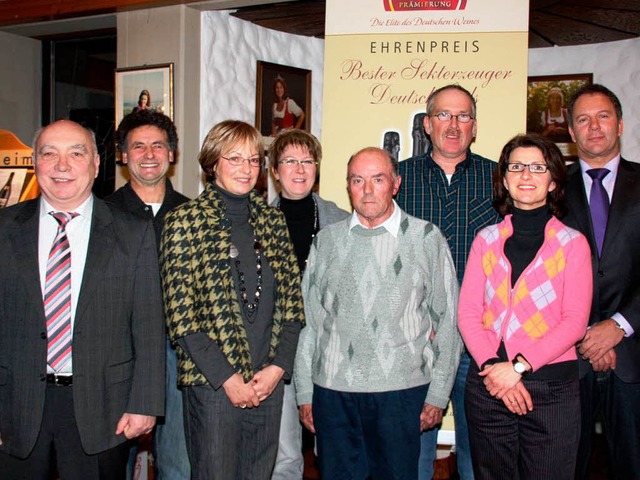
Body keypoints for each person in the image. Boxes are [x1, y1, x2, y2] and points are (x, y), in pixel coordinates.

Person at [0, 120, 165, 478]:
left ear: (96, 164)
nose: (62, 165)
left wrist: (145, 404)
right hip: (15, 405)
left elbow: (150, 327)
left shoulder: (133, 233)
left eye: (76, 154)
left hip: (104, 408)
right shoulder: (4, 229)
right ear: (34, 164)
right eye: (49, 154)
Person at [294, 147, 461, 479]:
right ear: (348, 186)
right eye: (358, 180)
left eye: (378, 179)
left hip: (401, 395)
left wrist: (438, 394)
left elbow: (448, 324)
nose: (367, 190)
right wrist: (305, 392)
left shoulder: (426, 239)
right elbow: (309, 323)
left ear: (395, 184)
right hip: (333, 393)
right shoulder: (326, 241)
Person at [160, 120, 304, 479]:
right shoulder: (183, 223)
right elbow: (182, 318)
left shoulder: (273, 222)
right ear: (213, 163)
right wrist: (228, 379)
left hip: (268, 381)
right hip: (213, 385)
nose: (246, 169)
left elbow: (292, 306)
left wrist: (277, 369)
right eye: (235, 158)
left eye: (254, 160)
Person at [458, 133, 592, 479]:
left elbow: (575, 322)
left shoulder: (572, 244)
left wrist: (516, 368)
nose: (526, 175)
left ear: (552, 181)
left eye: (537, 167)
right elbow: (468, 314)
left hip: (550, 390)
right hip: (488, 386)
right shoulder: (485, 240)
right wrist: (493, 367)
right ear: (504, 179)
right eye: (516, 167)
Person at [396, 84, 500, 480]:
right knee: (413, 461)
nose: (453, 125)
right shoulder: (398, 180)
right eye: (443, 115)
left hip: (482, 347)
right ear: (426, 124)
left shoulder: (500, 179)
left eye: (463, 116)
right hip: (417, 346)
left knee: (481, 461)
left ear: (474, 126)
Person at [107, 109, 190, 479]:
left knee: (178, 463)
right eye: (138, 146)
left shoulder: (193, 214)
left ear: (172, 153)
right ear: (123, 155)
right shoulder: (102, 215)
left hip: (178, 352)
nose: (149, 154)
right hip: (117, 353)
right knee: (112, 459)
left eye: (158, 145)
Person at [563, 84, 640, 480]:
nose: (594, 127)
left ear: (620, 124)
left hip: (634, 356)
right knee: (563, 467)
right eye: (583, 119)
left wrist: (618, 326)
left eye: (603, 116)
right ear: (572, 134)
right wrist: (586, 334)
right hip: (568, 358)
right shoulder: (552, 191)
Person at [269, 129, 349, 479]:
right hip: (274, 355)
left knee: (335, 452)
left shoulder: (343, 222)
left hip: (331, 353)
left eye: (307, 161)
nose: (299, 169)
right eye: (289, 161)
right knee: (284, 456)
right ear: (274, 171)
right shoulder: (255, 222)